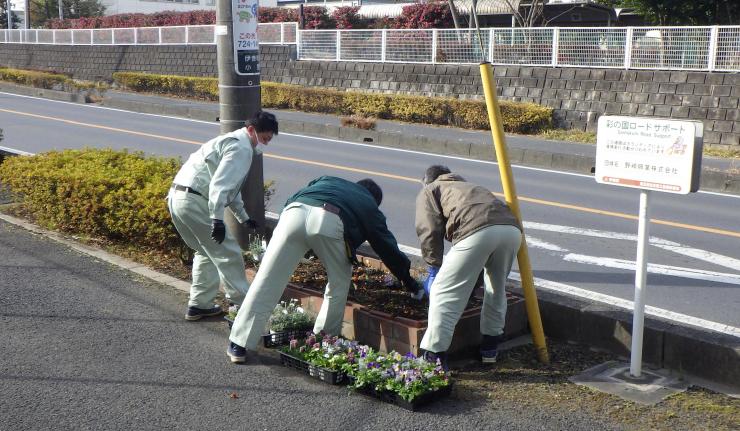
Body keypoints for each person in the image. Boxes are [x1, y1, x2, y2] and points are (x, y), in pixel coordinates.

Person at [227, 176, 422, 363]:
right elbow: (386, 247)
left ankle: (239, 343)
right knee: (338, 285)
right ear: (375, 200)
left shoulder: (329, 180)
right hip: (328, 221)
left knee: (267, 280)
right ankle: (321, 342)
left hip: (292, 213)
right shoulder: (370, 205)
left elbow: (301, 195)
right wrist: (409, 281)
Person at [168, 111, 278, 321]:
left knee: (206, 251)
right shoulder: (241, 147)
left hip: (178, 198)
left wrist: (243, 217)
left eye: (271, 137)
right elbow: (220, 186)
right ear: (251, 129)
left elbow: (230, 190)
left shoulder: (233, 142)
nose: (267, 140)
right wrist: (217, 219)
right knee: (229, 253)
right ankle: (245, 308)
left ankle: (199, 305)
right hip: (196, 200)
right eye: (265, 135)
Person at [415, 165, 522, 368]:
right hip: (511, 231)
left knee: (442, 291)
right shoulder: (470, 186)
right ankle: (490, 349)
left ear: (427, 181)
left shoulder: (431, 189)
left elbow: (428, 229)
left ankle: (433, 357)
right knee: (495, 289)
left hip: (477, 232)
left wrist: (433, 266)